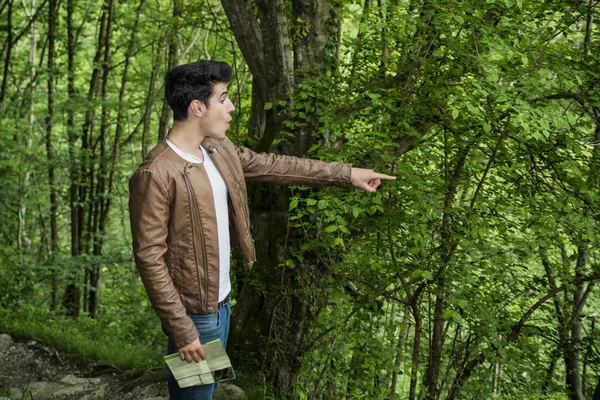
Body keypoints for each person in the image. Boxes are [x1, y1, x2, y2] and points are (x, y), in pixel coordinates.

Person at [128, 60, 395, 400]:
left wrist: (346, 173)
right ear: (197, 107)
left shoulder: (217, 149)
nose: (231, 107)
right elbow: (149, 258)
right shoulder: (155, 173)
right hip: (195, 314)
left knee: (203, 392)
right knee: (194, 397)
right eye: (223, 98)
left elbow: (277, 165)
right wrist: (182, 330)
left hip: (222, 302)